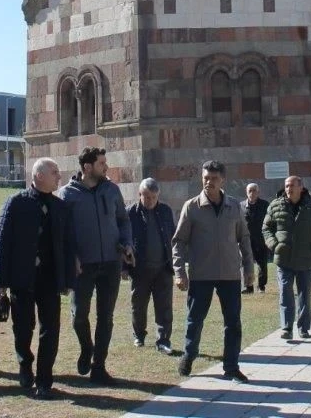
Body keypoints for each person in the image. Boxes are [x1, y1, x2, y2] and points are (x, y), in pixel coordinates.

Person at [0, 158, 75, 400]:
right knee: (23, 328)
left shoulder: (60, 207)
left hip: (50, 279)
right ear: (39, 175)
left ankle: (45, 380)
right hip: (22, 279)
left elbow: (68, 245)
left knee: (50, 329)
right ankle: (25, 365)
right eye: (54, 172)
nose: (59, 177)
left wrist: (68, 279)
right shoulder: (16, 203)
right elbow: (2, 244)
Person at [57, 146, 134, 385]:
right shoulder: (66, 195)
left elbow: (123, 220)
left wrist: (127, 244)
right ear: (87, 167)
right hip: (83, 267)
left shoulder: (111, 190)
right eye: (102, 163)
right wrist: (72, 257)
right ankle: (86, 347)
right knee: (79, 314)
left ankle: (99, 366)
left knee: (106, 316)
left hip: (110, 262)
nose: (106, 167)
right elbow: (60, 234)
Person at [172, 160, 254, 382]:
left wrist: (248, 267)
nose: (209, 182)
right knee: (195, 319)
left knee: (233, 322)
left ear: (223, 180)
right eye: (205, 178)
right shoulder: (192, 207)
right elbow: (178, 241)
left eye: (213, 178)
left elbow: (244, 238)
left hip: (229, 274)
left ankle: (231, 367)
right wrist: (179, 271)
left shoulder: (235, 206)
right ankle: (189, 354)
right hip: (201, 274)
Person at [262, 176, 311, 341]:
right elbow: (266, 228)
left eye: (292, 185)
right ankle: (286, 327)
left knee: (304, 295)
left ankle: (303, 328)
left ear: (301, 187)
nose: (288, 189)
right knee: (285, 293)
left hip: (306, 259)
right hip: (283, 259)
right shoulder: (276, 205)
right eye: (286, 186)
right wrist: (275, 245)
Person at [126, 177, 175, 354]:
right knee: (138, 305)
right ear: (140, 194)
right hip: (140, 269)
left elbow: (173, 236)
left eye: (154, 197)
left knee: (164, 306)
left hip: (163, 268)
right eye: (147, 197)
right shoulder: (130, 213)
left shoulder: (165, 211)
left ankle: (163, 340)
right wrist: (125, 266)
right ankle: (139, 335)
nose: (150, 201)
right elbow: (124, 239)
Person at [240, 183, 270, 294]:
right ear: (246, 192)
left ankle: (261, 286)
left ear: (258, 192)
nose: (252, 193)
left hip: (261, 240)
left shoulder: (265, 205)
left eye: (254, 191)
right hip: (245, 240)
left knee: (262, 264)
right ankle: (248, 287)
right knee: (246, 263)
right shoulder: (241, 206)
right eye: (250, 191)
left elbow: (270, 222)